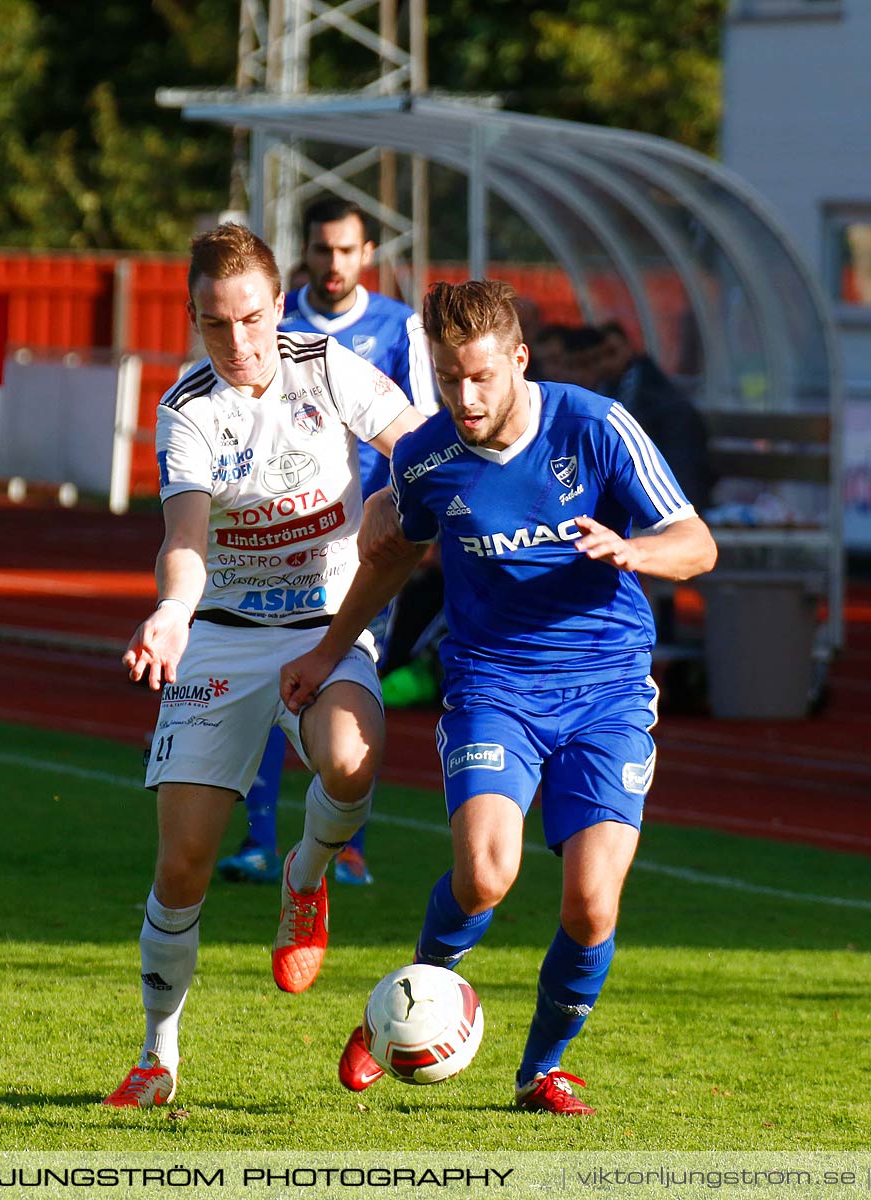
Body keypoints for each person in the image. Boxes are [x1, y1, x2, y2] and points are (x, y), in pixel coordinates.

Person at [280, 280, 718, 1115]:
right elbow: (390, 558)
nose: (464, 398)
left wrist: (635, 551)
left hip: (607, 690)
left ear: (520, 358)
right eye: (448, 380)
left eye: (480, 377)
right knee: (484, 876)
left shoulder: (594, 427)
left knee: (591, 906)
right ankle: (407, 1011)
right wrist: (328, 651)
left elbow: (697, 544)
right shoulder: (429, 458)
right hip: (495, 686)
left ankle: (540, 1069)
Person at [104, 224, 428, 1109]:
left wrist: (399, 487)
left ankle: (305, 876)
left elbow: (415, 439)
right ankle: (156, 1055)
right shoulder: (189, 408)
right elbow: (186, 537)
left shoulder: (326, 366)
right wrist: (171, 613)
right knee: (184, 867)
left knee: (354, 759)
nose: (239, 343)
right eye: (216, 324)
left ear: (278, 305)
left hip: (324, 622)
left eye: (251, 318)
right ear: (193, 321)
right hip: (219, 633)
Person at [216, 197, 440, 889]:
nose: (334, 263)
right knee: (263, 689)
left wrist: (409, 512)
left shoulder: (397, 325)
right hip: (270, 543)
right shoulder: (271, 326)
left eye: (347, 250)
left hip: (366, 548)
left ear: (367, 253)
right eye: (322, 250)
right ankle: (260, 841)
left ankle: (346, 848)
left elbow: (427, 425)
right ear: (304, 253)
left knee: (348, 686)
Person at [597, 321, 714, 510]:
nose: (605, 363)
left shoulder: (663, 403)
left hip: (668, 501)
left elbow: (684, 468)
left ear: (628, 349)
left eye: (611, 353)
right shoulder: (602, 392)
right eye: (598, 357)